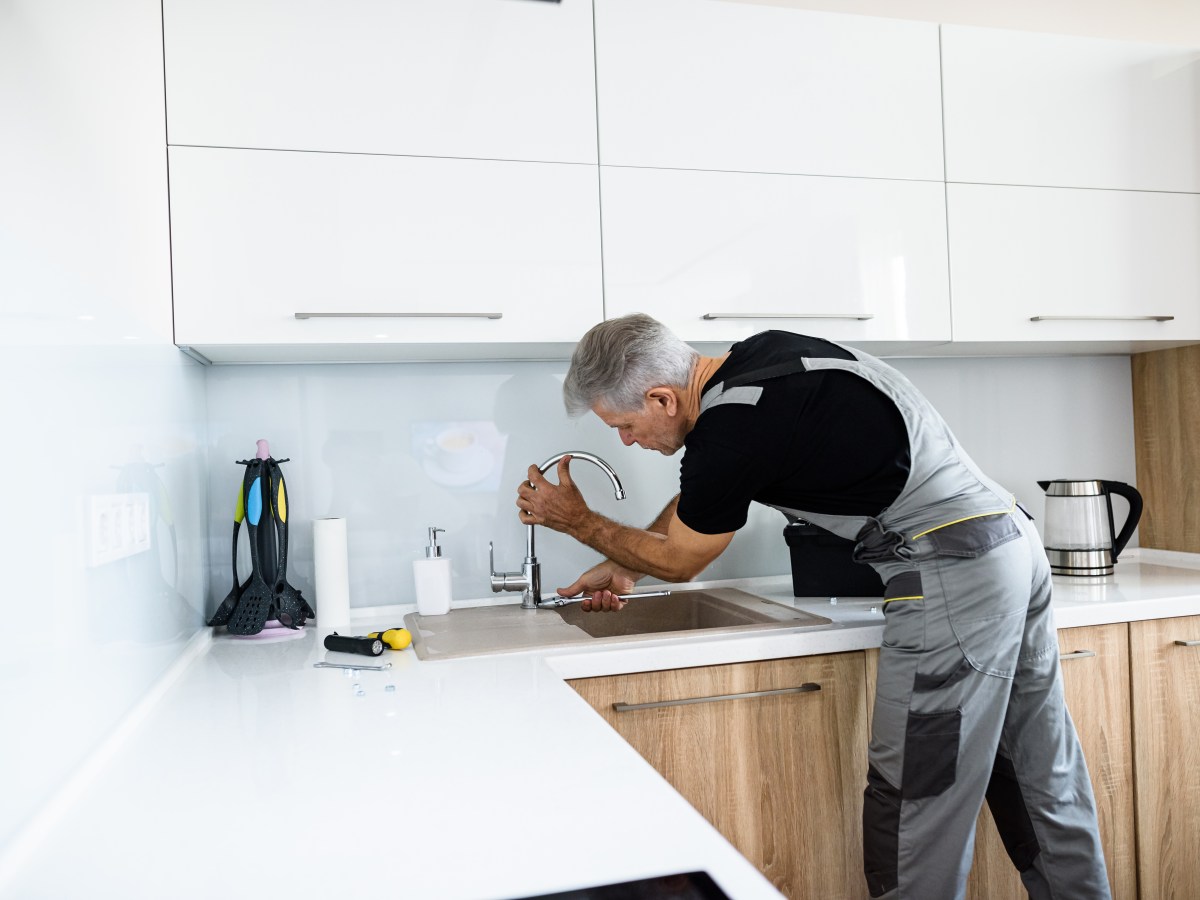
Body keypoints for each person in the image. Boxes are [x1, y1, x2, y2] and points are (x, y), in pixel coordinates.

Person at [515, 313, 1110, 900]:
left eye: (624, 424)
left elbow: (684, 558)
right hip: (1009, 545)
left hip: (952, 571)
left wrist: (581, 522)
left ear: (663, 399)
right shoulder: (759, 362)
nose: (625, 440)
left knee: (915, 797)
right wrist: (627, 562)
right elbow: (713, 491)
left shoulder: (729, 430)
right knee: (1038, 769)